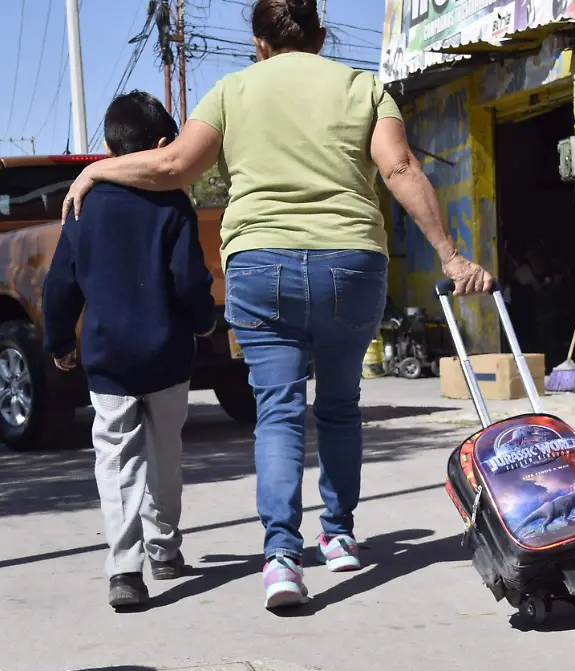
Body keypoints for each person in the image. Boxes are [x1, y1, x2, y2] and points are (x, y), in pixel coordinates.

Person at [61, 0, 493, 609]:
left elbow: (174, 166)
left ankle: (283, 559)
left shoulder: (232, 90)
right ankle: (339, 536)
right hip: (351, 263)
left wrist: (100, 171)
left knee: (279, 414)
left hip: (261, 267)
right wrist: (450, 256)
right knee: (341, 408)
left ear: (259, 42)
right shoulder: (363, 88)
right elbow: (398, 168)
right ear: (320, 34)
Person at [43, 91, 217, 609]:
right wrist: (203, 322)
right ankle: (164, 550)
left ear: (108, 146)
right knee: (165, 454)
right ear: (161, 147)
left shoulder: (82, 203)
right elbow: (189, 278)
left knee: (118, 463)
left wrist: (58, 341)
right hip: (166, 355)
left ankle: (125, 571)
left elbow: (60, 283)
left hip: (108, 359)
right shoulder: (173, 203)